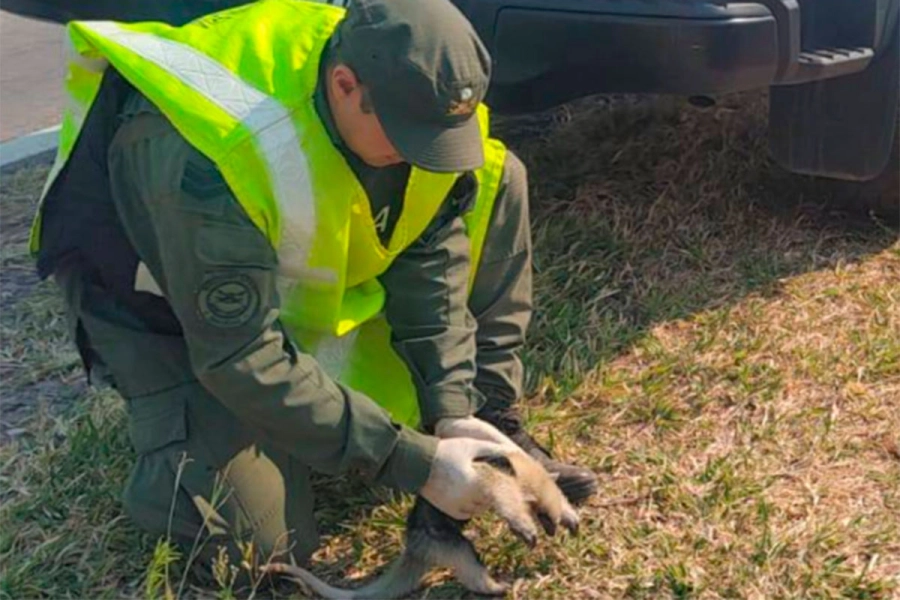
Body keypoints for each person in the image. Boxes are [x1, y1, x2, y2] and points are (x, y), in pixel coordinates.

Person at [31, 0, 598, 567]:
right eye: (404, 137)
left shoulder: (428, 96)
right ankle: (178, 453)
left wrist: (452, 409)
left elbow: (429, 248)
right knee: (256, 545)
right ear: (344, 84)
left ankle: (492, 423)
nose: (417, 156)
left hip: (285, 281)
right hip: (170, 315)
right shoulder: (205, 153)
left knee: (500, 181)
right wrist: (413, 463)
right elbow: (237, 354)